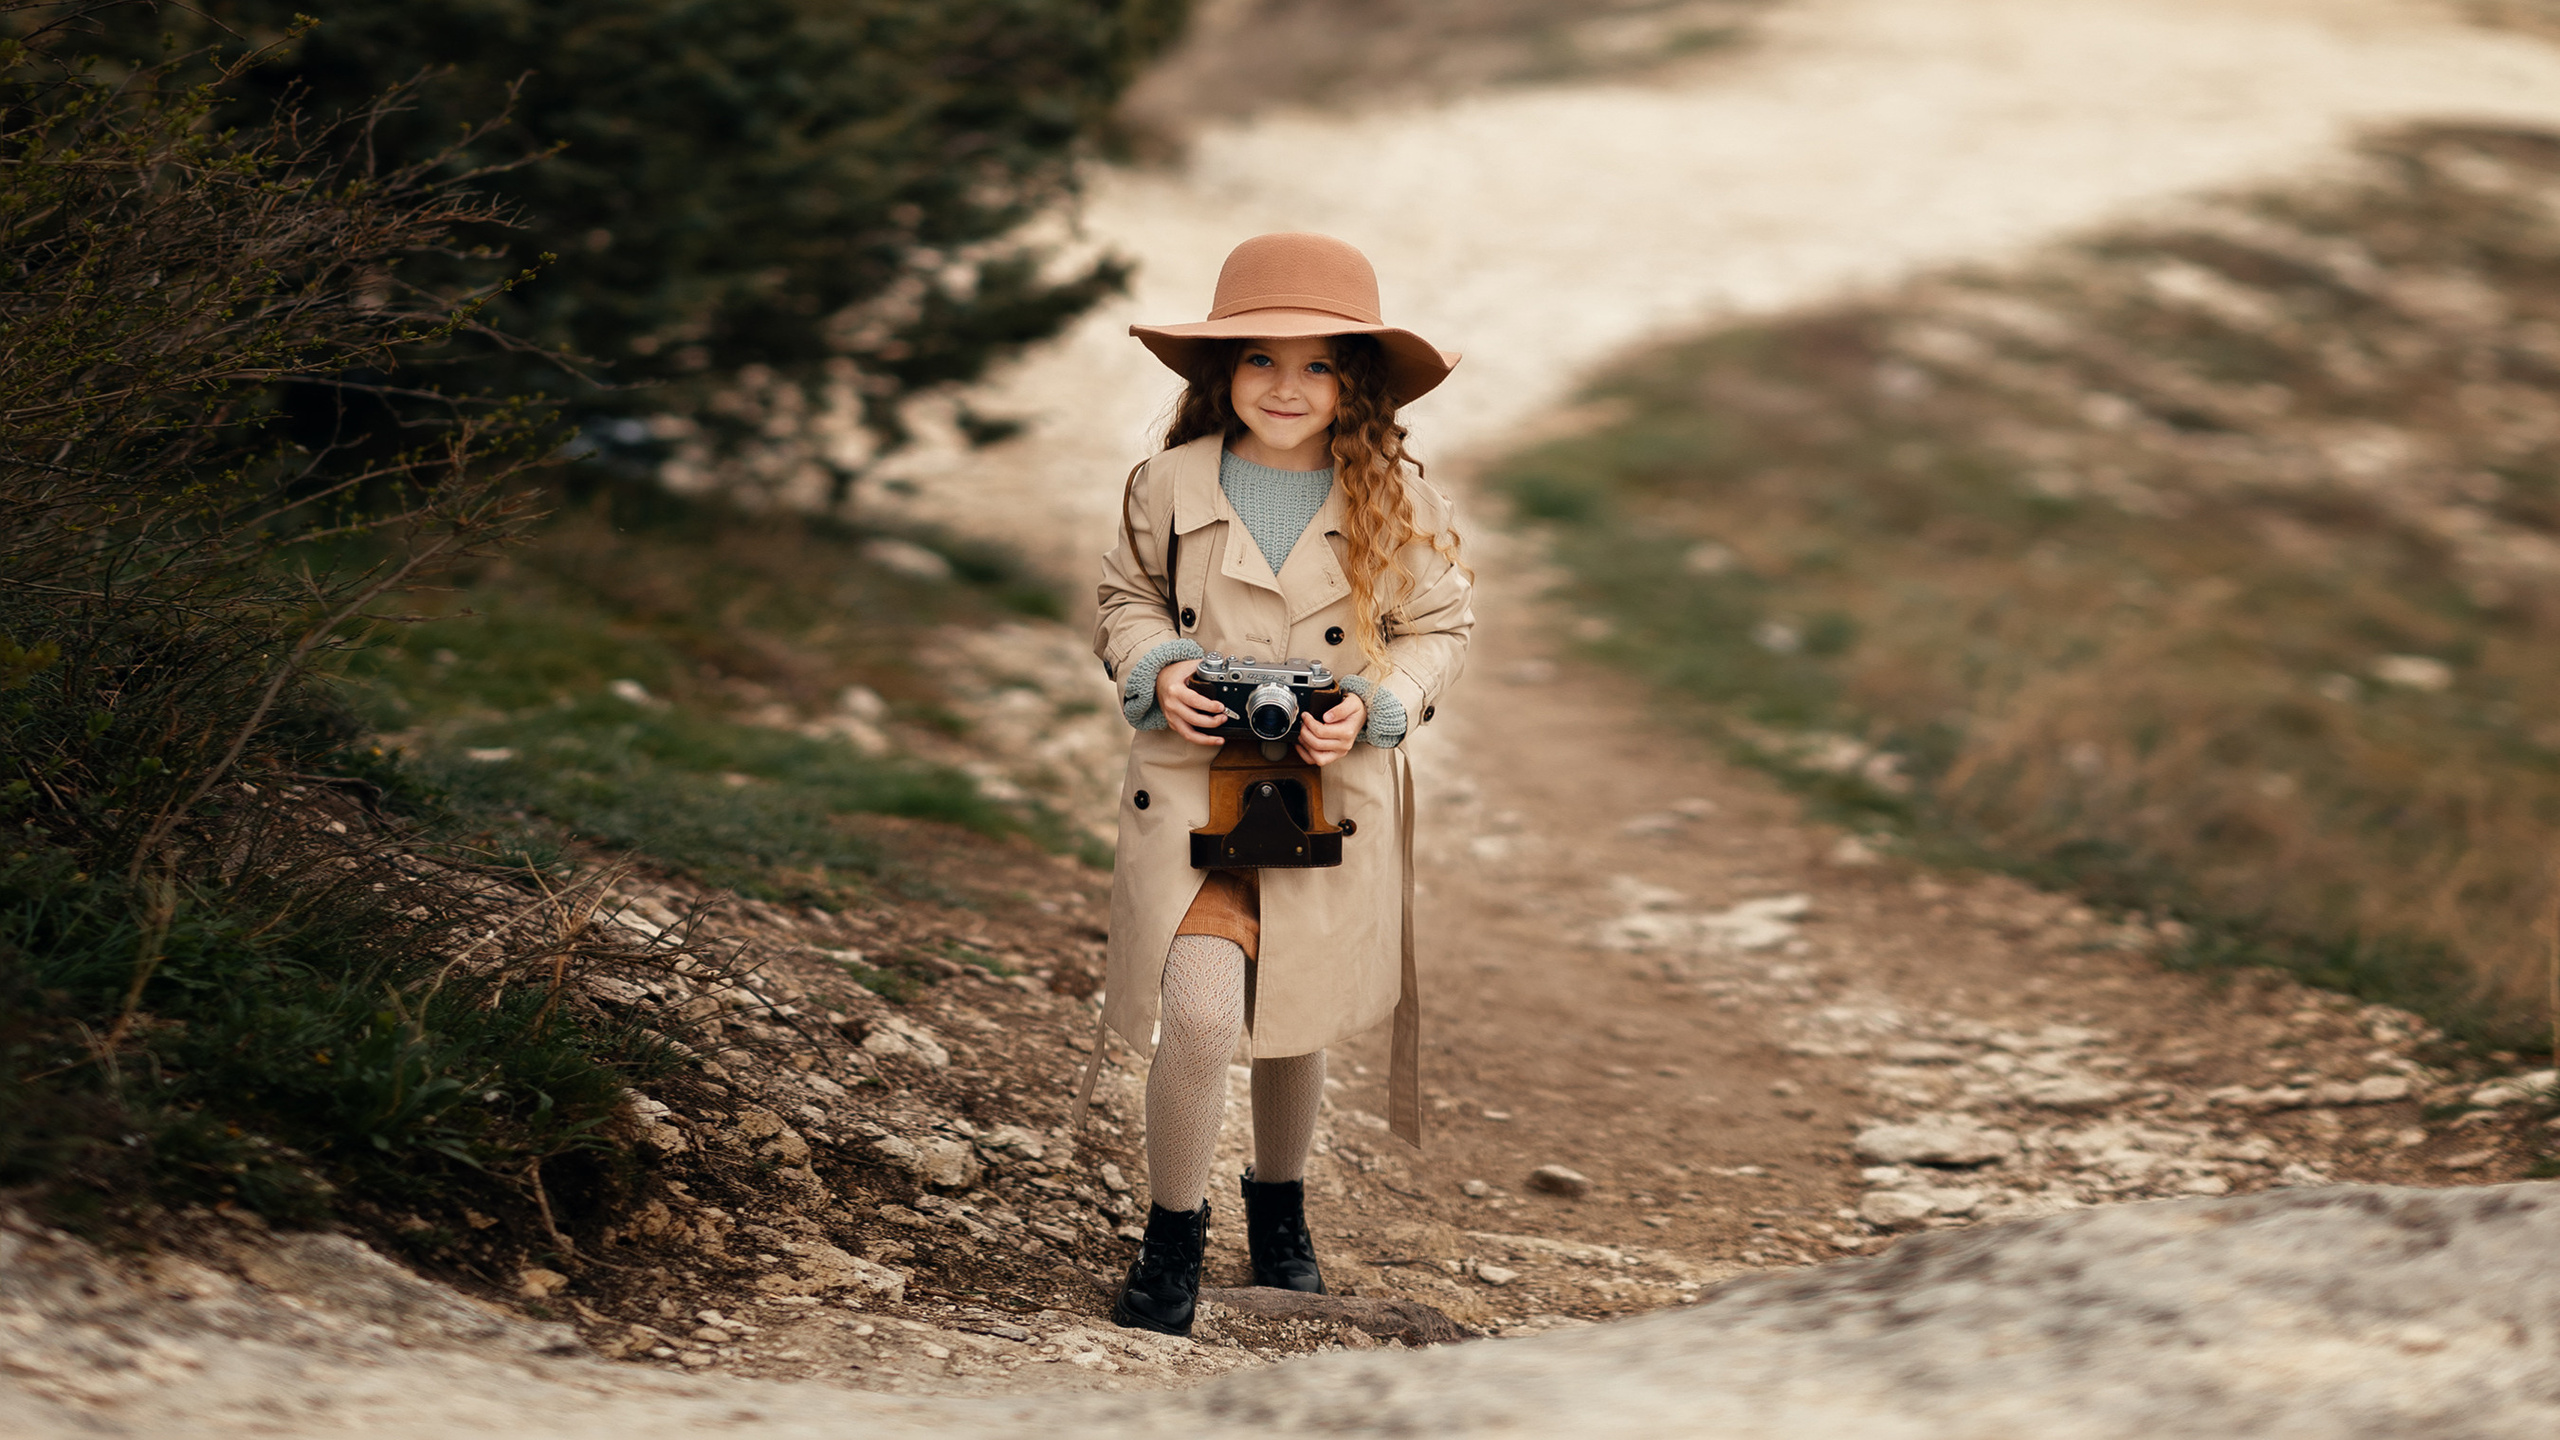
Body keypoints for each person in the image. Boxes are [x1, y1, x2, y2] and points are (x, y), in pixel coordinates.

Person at [1091, 232, 1473, 1336]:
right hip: (1192, 791)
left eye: (1316, 365)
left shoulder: (1395, 500)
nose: (1287, 387)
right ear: (1224, 373)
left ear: (1352, 380)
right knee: (1202, 1016)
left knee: (1296, 1006)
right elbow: (1122, 602)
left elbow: (1439, 623)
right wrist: (1156, 668)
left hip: (1327, 793)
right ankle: (1173, 1234)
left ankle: (1280, 1214)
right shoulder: (1165, 484)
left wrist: (1377, 705)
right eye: (1261, 360)